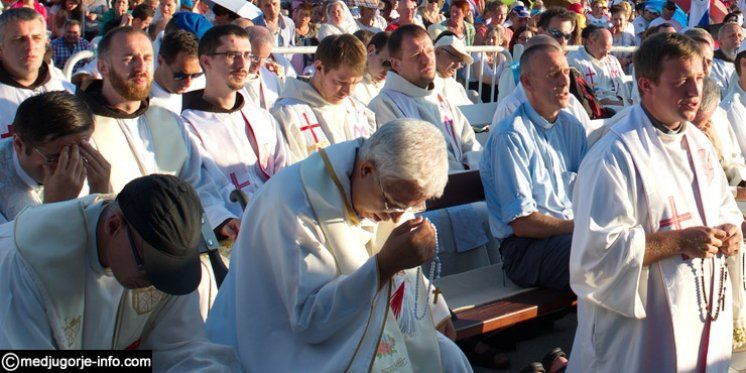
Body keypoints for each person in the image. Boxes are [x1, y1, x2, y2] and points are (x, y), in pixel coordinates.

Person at [205, 119, 471, 372]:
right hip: (285, 345)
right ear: (366, 170)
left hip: (357, 321)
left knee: (449, 358)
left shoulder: (390, 184)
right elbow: (309, 321)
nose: (396, 216)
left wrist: (434, 305)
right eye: (392, 204)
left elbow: (405, 268)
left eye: (409, 207)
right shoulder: (293, 207)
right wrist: (383, 265)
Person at [568, 32, 744, 372]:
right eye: (680, 82)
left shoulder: (697, 141)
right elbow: (594, 257)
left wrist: (731, 229)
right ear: (646, 86)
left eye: (698, 78)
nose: (695, 93)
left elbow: (723, 205)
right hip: (640, 332)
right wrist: (677, 241)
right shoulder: (614, 154)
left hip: (699, 312)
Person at [0, 174, 240, 370]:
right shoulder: (27, 267)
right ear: (114, 225)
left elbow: (181, 348)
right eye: (148, 267)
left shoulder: (165, 248)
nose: (152, 283)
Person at [76, 26, 241, 240]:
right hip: (117, 253)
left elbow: (195, 183)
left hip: (177, 243)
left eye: (146, 58)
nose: (140, 67)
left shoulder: (169, 121)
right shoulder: (83, 131)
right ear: (103, 67)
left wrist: (221, 220)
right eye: (129, 58)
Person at [481, 42, 587, 291]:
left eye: (565, 71)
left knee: (628, 242)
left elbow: (589, 192)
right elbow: (523, 224)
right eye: (553, 75)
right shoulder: (511, 136)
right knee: (602, 252)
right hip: (524, 249)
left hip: (567, 237)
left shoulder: (572, 127)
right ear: (527, 84)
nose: (564, 81)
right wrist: (582, 229)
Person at [182, 24, 288, 216]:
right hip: (235, 229)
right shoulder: (189, 126)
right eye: (232, 55)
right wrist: (223, 219)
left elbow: (285, 170)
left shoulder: (262, 117)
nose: (242, 65)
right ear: (206, 61)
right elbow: (199, 186)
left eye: (248, 55)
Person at [369, 25, 482, 171]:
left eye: (429, 51)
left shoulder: (440, 98)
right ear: (396, 63)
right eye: (416, 55)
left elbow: (470, 143)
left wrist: (470, 165)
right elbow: (413, 165)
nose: (427, 59)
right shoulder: (384, 106)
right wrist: (465, 168)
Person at [0, 91, 110, 223]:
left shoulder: (89, 164)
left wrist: (99, 194)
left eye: (79, 151)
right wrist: (55, 207)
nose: (71, 165)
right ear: (19, 145)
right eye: (56, 158)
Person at [272, 34, 376, 163]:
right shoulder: (288, 114)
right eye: (341, 82)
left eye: (355, 83)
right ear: (319, 67)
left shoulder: (357, 109)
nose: (348, 92)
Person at [0, 8, 75, 139]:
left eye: (37, 38)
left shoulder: (61, 84)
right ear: (1, 47)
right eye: (19, 39)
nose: (30, 46)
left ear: (46, 43)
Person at [694, 78, 746, 199]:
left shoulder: (719, 116)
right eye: (695, 122)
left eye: (705, 121)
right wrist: (735, 192)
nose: (702, 127)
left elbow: (736, 160)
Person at [567, 25, 629, 108]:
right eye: (603, 50)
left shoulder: (613, 60)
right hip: (593, 108)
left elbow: (624, 87)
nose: (606, 54)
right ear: (591, 42)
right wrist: (600, 102)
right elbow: (577, 95)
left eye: (608, 50)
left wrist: (620, 101)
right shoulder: (574, 60)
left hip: (618, 104)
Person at [151, 30, 202, 114]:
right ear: (160, 61)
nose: (188, 84)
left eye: (194, 75)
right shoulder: (140, 103)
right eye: (180, 75)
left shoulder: (199, 87)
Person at [244, 26, 284, 110]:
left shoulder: (272, 76)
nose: (259, 64)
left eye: (265, 57)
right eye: (255, 57)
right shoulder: (229, 77)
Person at [433, 32, 475, 105]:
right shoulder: (424, 85)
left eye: (460, 61)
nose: (458, 66)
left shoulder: (456, 86)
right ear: (437, 52)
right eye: (454, 56)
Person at [352, 31, 390, 105]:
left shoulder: (389, 87)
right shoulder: (351, 85)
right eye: (386, 63)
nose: (387, 72)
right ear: (371, 50)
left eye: (394, 67)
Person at [712, 21, 743, 96]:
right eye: (732, 36)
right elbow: (719, 93)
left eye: (740, 35)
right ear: (721, 42)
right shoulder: (713, 64)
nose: (737, 39)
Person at [610, 4, 635, 72]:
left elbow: (636, 51)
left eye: (620, 19)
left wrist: (627, 61)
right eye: (615, 19)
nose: (618, 22)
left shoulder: (630, 29)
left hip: (627, 67)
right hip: (611, 68)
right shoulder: (606, 31)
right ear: (611, 19)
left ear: (625, 19)